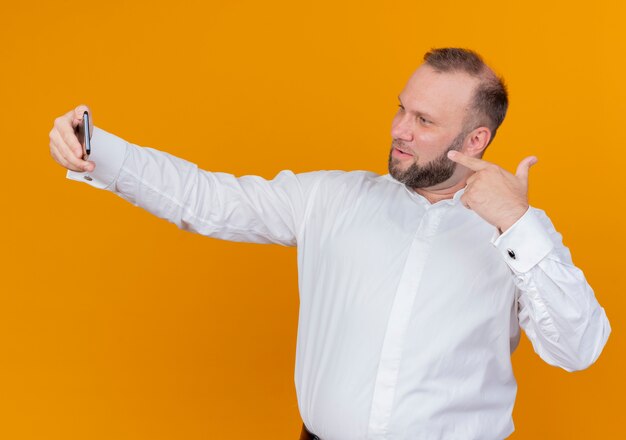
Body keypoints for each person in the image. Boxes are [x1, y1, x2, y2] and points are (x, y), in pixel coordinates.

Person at [49, 48, 610, 440]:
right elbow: (206, 200)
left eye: (422, 119)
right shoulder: (330, 199)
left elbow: (578, 349)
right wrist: (94, 145)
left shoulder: (520, 237)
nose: (398, 128)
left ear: (475, 140)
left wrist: (518, 223)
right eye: (400, 108)